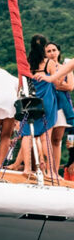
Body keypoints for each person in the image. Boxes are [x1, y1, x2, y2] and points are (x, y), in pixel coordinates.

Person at [15, 34, 58, 176]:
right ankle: (51, 171)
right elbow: (56, 83)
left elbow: (20, 85)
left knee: (27, 135)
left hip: (30, 102)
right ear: (45, 47)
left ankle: (27, 169)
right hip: (46, 102)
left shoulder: (26, 63)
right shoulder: (49, 63)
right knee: (46, 136)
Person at [44, 41, 74, 174]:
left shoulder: (65, 67)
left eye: (54, 50)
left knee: (57, 139)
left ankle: (55, 171)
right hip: (48, 105)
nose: (51, 53)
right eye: (48, 51)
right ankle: (44, 169)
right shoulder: (43, 68)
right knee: (45, 139)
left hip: (62, 106)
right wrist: (59, 84)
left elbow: (70, 86)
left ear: (59, 52)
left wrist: (55, 84)